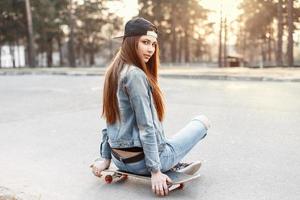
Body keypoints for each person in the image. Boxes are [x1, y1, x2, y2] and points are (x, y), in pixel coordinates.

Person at [91, 17, 211, 196]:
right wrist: (155, 171)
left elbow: (110, 119)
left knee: (165, 140)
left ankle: (172, 159)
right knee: (203, 121)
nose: (151, 49)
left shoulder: (113, 71)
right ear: (130, 43)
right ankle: (170, 161)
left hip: (120, 160)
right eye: (145, 42)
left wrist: (106, 157)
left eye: (154, 44)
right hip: (143, 164)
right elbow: (146, 127)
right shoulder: (135, 75)